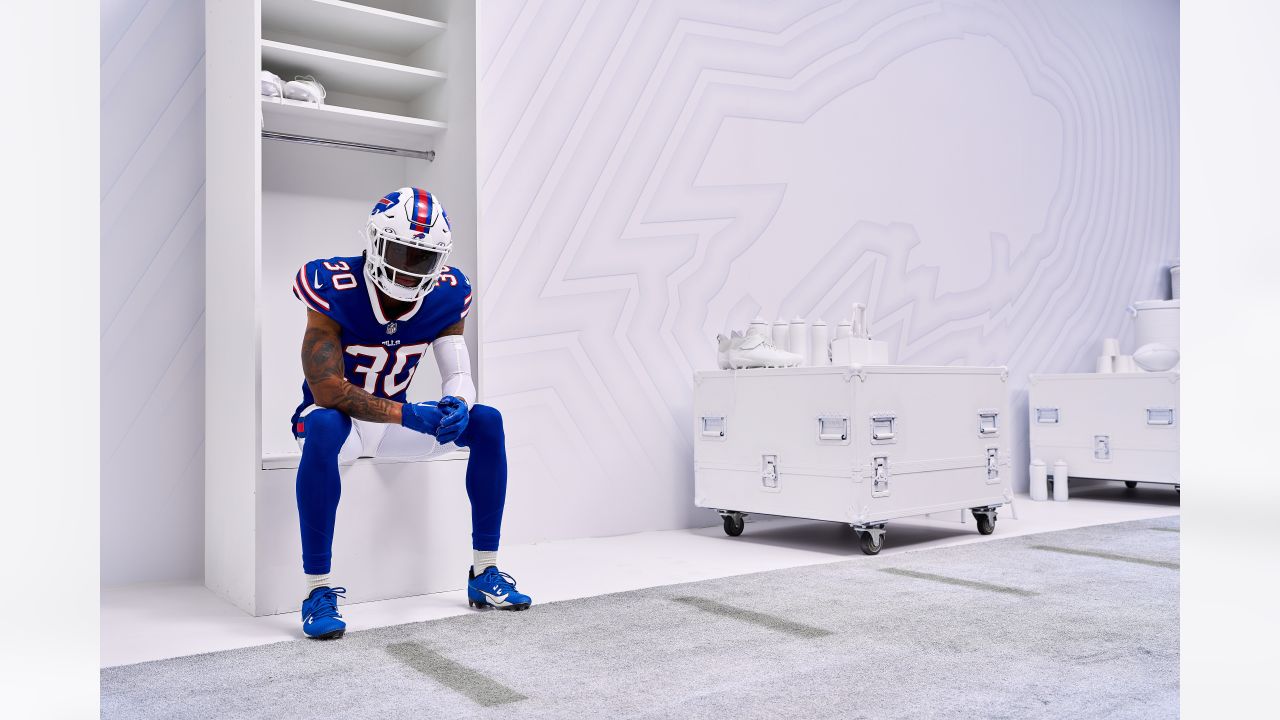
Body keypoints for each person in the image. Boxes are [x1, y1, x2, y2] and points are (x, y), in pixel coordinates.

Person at [289, 187, 531, 640]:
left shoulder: (448, 291)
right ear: (376, 241)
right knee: (322, 423)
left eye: (421, 256)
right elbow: (325, 389)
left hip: (396, 425)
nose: (407, 265)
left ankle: (485, 571)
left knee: (487, 421)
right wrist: (408, 414)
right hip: (341, 426)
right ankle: (317, 591)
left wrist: (458, 403)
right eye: (399, 250)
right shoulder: (332, 283)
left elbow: (457, 369)